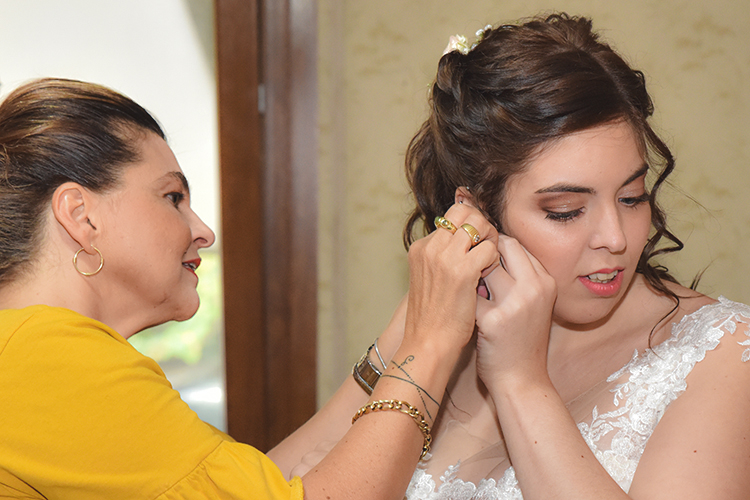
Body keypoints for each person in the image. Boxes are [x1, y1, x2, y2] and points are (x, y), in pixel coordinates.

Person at [276, 13, 750, 500]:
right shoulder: (444, 347)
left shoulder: (720, 354)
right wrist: (411, 335)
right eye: (566, 211)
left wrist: (520, 382)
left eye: (631, 197)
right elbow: (253, 489)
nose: (616, 237)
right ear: (475, 210)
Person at [0, 78, 501, 500]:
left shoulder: (33, 349)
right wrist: (431, 340)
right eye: (172, 197)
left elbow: (257, 487)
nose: (203, 231)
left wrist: (399, 341)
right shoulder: (46, 355)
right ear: (80, 216)